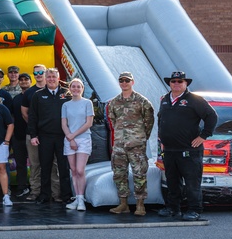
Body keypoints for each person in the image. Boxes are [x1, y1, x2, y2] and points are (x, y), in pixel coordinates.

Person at [157, 71, 218, 221]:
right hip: (170, 149)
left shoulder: (194, 100)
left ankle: (194, 209)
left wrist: (203, 136)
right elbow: (161, 119)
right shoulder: (165, 99)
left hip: (189, 150)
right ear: (169, 83)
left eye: (180, 81)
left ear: (186, 84)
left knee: (192, 182)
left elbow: (212, 116)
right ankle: (173, 208)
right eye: (173, 81)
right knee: (172, 181)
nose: (176, 84)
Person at [105, 71, 155, 216]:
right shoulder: (114, 102)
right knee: (119, 174)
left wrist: (140, 137)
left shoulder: (142, 101)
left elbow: (149, 121)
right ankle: (123, 204)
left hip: (137, 145)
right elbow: (113, 121)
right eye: (121, 80)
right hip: (119, 145)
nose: (124, 83)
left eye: (127, 80)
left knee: (139, 174)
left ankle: (140, 205)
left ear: (132, 82)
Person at [28, 68, 72, 204]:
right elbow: (32, 116)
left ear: (58, 78)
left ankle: (65, 195)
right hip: (44, 136)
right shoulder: (38, 95)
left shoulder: (67, 93)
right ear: (45, 78)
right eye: (49, 76)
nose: (51, 79)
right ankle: (45, 195)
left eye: (54, 76)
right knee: (45, 167)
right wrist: (33, 135)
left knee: (63, 167)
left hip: (63, 136)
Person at [21, 64, 60, 202]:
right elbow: (26, 113)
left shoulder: (59, 92)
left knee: (54, 165)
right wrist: (35, 131)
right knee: (35, 164)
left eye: (41, 72)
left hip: (51, 136)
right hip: (33, 135)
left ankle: (56, 193)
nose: (39, 75)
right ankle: (35, 191)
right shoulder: (31, 93)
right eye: (36, 72)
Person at [61, 78, 94, 211]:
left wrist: (73, 136)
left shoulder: (88, 103)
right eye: (73, 86)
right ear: (70, 88)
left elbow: (88, 123)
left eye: (78, 87)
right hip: (69, 139)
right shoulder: (66, 105)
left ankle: (81, 199)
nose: (75, 89)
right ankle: (77, 198)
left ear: (82, 89)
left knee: (80, 170)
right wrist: (70, 138)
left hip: (83, 139)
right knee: (73, 170)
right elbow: (64, 123)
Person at [8, 73, 33, 199]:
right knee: (21, 164)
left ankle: (36, 188)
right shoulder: (16, 98)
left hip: (33, 135)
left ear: (30, 81)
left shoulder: (36, 95)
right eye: (21, 80)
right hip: (18, 136)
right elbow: (11, 116)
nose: (23, 82)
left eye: (26, 79)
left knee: (36, 163)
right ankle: (22, 187)